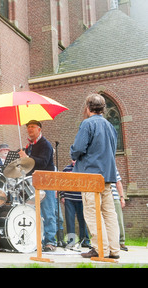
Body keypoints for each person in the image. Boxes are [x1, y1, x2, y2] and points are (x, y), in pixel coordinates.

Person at [70, 93, 120, 259]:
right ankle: (114, 250)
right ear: (103, 109)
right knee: (109, 213)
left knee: (93, 212)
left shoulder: (87, 124)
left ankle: (100, 249)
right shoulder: (110, 126)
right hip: (107, 176)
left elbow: (77, 149)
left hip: (91, 176)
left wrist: (73, 153)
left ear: (88, 108)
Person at [18, 119, 57, 252]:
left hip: (47, 181)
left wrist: (27, 158)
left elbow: (43, 163)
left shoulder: (45, 144)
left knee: (49, 212)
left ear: (39, 129)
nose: (29, 129)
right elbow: (30, 167)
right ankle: (39, 240)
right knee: (36, 213)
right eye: (28, 127)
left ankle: (51, 242)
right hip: (35, 182)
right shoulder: (29, 146)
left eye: (33, 127)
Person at [59, 161, 90, 247]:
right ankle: (71, 241)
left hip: (81, 198)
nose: (74, 161)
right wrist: (62, 196)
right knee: (70, 221)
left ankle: (85, 240)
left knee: (83, 220)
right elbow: (61, 183)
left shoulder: (83, 168)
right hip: (69, 199)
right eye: (73, 159)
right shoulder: (66, 169)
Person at [113, 170, 128, 252]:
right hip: (102, 198)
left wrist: (122, 197)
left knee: (119, 220)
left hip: (114, 198)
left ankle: (121, 242)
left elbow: (118, 183)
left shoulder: (112, 167)